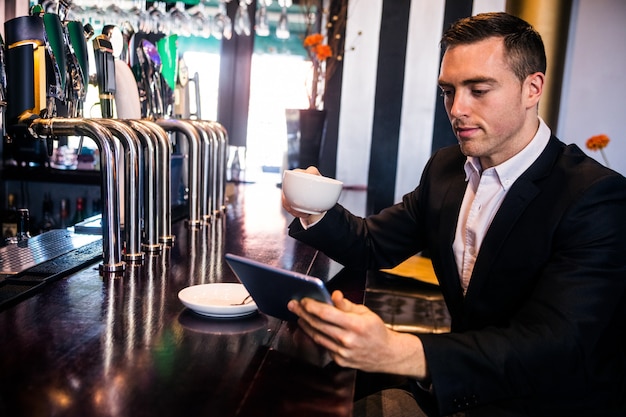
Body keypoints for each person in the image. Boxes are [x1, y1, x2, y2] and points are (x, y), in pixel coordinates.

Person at [282, 12, 626, 417]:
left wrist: (403, 352)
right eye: (448, 90)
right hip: (461, 389)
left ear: (532, 88)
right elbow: (372, 244)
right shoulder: (447, 169)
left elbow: (557, 343)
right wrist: (313, 208)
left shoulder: (596, 196)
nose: (457, 108)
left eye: (478, 90)